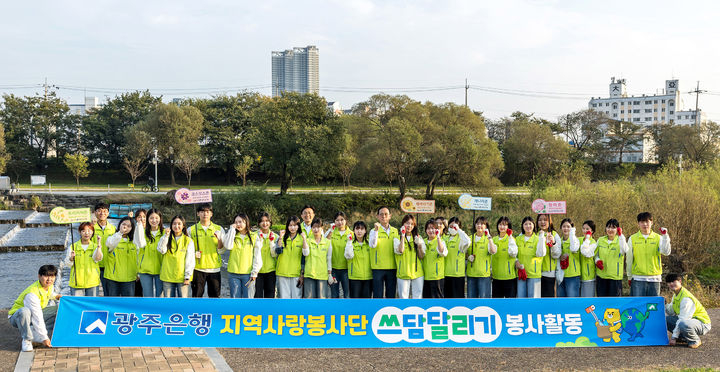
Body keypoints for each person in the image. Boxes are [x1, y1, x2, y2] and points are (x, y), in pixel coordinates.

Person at [8, 265, 62, 351]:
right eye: (46, 276)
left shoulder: (48, 286)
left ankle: (37, 335)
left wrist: (56, 296)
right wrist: (44, 338)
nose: (49, 279)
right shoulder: (32, 293)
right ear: (39, 276)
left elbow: (49, 294)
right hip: (17, 317)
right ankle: (27, 339)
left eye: (52, 276)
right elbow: (37, 316)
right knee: (24, 311)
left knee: (60, 310)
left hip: (34, 313)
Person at [627, 212, 671, 297]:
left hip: (654, 278)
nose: (645, 224)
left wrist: (665, 236)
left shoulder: (659, 238)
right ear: (638, 223)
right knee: (638, 306)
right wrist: (629, 276)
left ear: (652, 222)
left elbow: (666, 252)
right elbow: (629, 259)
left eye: (647, 221)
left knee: (652, 307)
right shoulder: (632, 239)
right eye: (642, 222)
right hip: (638, 278)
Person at [665, 273, 712, 349]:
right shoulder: (676, 294)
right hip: (690, 321)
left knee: (683, 324)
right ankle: (683, 338)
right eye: (669, 282)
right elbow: (671, 312)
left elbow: (682, 319)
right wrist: (665, 304)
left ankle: (695, 340)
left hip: (702, 323)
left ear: (680, 281)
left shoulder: (686, 298)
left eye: (673, 281)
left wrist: (673, 337)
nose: (671, 284)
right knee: (666, 320)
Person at [188, 203, 225, 298]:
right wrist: (193, 254)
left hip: (214, 268)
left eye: (208, 211)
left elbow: (222, 250)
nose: (205, 214)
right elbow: (186, 250)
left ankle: (213, 313)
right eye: (202, 211)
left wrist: (219, 239)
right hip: (197, 268)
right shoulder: (191, 230)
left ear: (211, 214)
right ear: (197, 214)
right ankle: (197, 313)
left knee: (215, 297)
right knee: (196, 296)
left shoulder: (219, 229)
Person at [223, 213, 263, 298]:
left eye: (240, 222)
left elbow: (257, 256)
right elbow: (228, 246)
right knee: (235, 299)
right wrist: (232, 230)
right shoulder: (232, 235)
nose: (238, 224)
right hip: (233, 273)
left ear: (246, 222)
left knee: (248, 299)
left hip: (248, 274)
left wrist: (255, 272)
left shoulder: (254, 236)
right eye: (236, 222)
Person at [158, 216, 195, 297]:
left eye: (179, 224)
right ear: (171, 225)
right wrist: (166, 236)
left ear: (183, 226)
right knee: (168, 303)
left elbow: (190, 260)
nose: (176, 226)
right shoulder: (166, 238)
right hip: (167, 276)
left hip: (182, 277)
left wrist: (187, 276)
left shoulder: (188, 240)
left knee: (183, 303)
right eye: (174, 224)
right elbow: (161, 250)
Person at [63, 222, 103, 296]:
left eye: (89, 231)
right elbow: (67, 264)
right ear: (80, 232)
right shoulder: (73, 246)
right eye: (83, 231)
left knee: (91, 305)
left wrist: (99, 245)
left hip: (92, 281)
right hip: (77, 281)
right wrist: (71, 258)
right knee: (77, 306)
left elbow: (98, 258)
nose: (86, 233)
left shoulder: (95, 246)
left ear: (92, 232)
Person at [104, 217, 140, 297]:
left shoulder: (134, 242)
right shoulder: (112, 238)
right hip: (113, 278)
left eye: (129, 226)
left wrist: (138, 273)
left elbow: (138, 258)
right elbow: (110, 244)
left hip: (129, 278)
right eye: (123, 224)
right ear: (119, 224)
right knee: (113, 304)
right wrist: (120, 233)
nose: (125, 227)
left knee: (128, 305)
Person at [369, 206, 399, 298]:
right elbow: (372, 245)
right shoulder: (373, 231)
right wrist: (376, 231)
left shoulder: (395, 231)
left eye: (386, 214)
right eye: (381, 214)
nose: (384, 216)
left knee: (391, 294)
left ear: (390, 216)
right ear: (377, 216)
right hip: (378, 267)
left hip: (392, 267)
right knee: (378, 294)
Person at [594, 219, 628, 297]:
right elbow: (596, 254)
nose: (610, 230)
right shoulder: (600, 240)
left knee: (614, 304)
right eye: (608, 227)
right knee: (602, 302)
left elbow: (625, 250)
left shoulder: (621, 240)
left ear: (617, 229)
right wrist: (597, 261)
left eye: (613, 228)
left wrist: (621, 235)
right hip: (601, 277)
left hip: (615, 277)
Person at [273, 216, 304, 298]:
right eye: (290, 225)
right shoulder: (282, 237)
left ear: (298, 226)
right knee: (283, 299)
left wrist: (302, 274)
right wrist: (280, 238)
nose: (292, 227)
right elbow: (278, 251)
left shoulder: (302, 239)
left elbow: (304, 258)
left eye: (295, 225)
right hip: (282, 273)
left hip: (296, 274)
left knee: (296, 299)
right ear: (287, 226)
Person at [395, 215, 425, 299]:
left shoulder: (418, 237)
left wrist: (419, 246)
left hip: (417, 273)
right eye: (407, 223)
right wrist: (403, 236)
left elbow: (421, 256)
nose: (409, 226)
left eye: (412, 224)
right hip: (403, 273)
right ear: (403, 224)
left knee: (417, 297)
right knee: (403, 298)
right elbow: (400, 250)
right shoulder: (397, 238)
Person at [515, 216, 545, 298]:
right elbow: (514, 255)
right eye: (525, 224)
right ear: (522, 226)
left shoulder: (538, 239)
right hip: (521, 274)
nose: (528, 226)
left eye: (530, 224)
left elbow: (541, 253)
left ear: (534, 225)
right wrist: (516, 261)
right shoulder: (517, 239)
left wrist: (542, 238)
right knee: (521, 300)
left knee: (534, 301)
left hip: (534, 275)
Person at [466, 216, 496, 298]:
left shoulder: (488, 239)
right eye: (478, 223)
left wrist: (489, 237)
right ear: (475, 225)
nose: (479, 225)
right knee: (471, 300)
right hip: (471, 274)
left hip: (484, 275)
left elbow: (493, 251)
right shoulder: (469, 238)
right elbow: (463, 252)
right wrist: (468, 257)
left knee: (484, 301)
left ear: (486, 226)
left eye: (482, 224)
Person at [303, 218, 333, 298]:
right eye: (313, 227)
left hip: (322, 275)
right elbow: (305, 253)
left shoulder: (327, 242)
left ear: (322, 228)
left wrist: (329, 274)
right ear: (311, 229)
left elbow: (329, 259)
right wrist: (304, 240)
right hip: (309, 274)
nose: (316, 229)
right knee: (309, 299)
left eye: (318, 227)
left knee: (322, 299)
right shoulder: (308, 241)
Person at [137, 209, 164, 297]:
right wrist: (139, 226)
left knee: (160, 297)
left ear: (160, 219)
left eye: (156, 218)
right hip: (145, 270)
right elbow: (139, 245)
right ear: (147, 219)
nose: (154, 220)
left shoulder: (165, 233)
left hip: (161, 269)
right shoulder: (142, 232)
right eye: (151, 218)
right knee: (147, 296)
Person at [326, 212, 352, 298]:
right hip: (333, 269)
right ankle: (334, 311)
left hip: (346, 269)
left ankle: (347, 311)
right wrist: (330, 231)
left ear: (346, 221)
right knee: (334, 294)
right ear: (334, 221)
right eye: (337, 220)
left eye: (342, 220)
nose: (339, 222)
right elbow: (324, 243)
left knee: (347, 294)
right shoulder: (331, 232)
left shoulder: (351, 234)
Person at [443, 217, 470, 298]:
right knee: (447, 300)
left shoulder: (461, 239)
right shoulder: (445, 238)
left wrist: (459, 230)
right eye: (451, 226)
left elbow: (468, 241)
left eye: (454, 227)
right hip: (445, 274)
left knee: (458, 301)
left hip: (457, 275)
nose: (452, 228)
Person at [92, 203, 115, 296]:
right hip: (94, 265)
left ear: (108, 213)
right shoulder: (91, 229)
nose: (102, 213)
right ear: (95, 213)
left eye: (105, 211)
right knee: (93, 292)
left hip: (108, 265)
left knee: (108, 292)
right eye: (99, 210)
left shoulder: (113, 229)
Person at [491, 216, 518, 298]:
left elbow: (513, 253)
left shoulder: (512, 239)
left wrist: (510, 237)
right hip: (496, 277)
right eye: (500, 224)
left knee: (510, 304)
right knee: (497, 304)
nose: (502, 227)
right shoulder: (493, 239)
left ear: (508, 227)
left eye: (505, 225)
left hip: (509, 277)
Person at [344, 221, 372, 298]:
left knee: (366, 302)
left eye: (362, 229)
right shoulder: (350, 244)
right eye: (357, 228)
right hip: (354, 277)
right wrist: (349, 242)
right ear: (353, 231)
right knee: (355, 302)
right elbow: (348, 256)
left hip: (368, 277)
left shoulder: (369, 244)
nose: (359, 231)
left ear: (365, 231)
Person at [254, 212, 278, 298]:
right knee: (257, 296)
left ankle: (269, 312)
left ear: (270, 222)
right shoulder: (254, 236)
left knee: (270, 296)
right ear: (259, 223)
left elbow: (275, 254)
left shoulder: (276, 236)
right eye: (262, 221)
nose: (265, 223)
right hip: (257, 272)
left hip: (271, 271)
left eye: (267, 221)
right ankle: (258, 312)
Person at [422, 219, 448, 298]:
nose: (430, 230)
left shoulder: (441, 241)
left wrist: (438, 237)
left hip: (437, 278)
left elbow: (442, 252)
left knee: (437, 301)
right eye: (428, 228)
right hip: (425, 277)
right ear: (426, 230)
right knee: (427, 301)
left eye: (433, 228)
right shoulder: (423, 242)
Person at [556, 218, 581, 297]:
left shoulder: (575, 240)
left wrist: (572, 234)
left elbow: (574, 249)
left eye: (568, 226)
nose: (566, 228)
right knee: (561, 301)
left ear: (572, 228)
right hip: (561, 276)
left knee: (572, 302)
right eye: (564, 226)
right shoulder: (558, 241)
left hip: (573, 276)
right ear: (560, 228)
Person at [579, 220, 598, 297]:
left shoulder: (593, 243)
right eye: (583, 228)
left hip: (588, 276)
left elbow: (586, 253)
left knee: (587, 300)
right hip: (578, 275)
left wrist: (587, 238)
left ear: (592, 231)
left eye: (587, 229)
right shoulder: (579, 240)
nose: (585, 231)